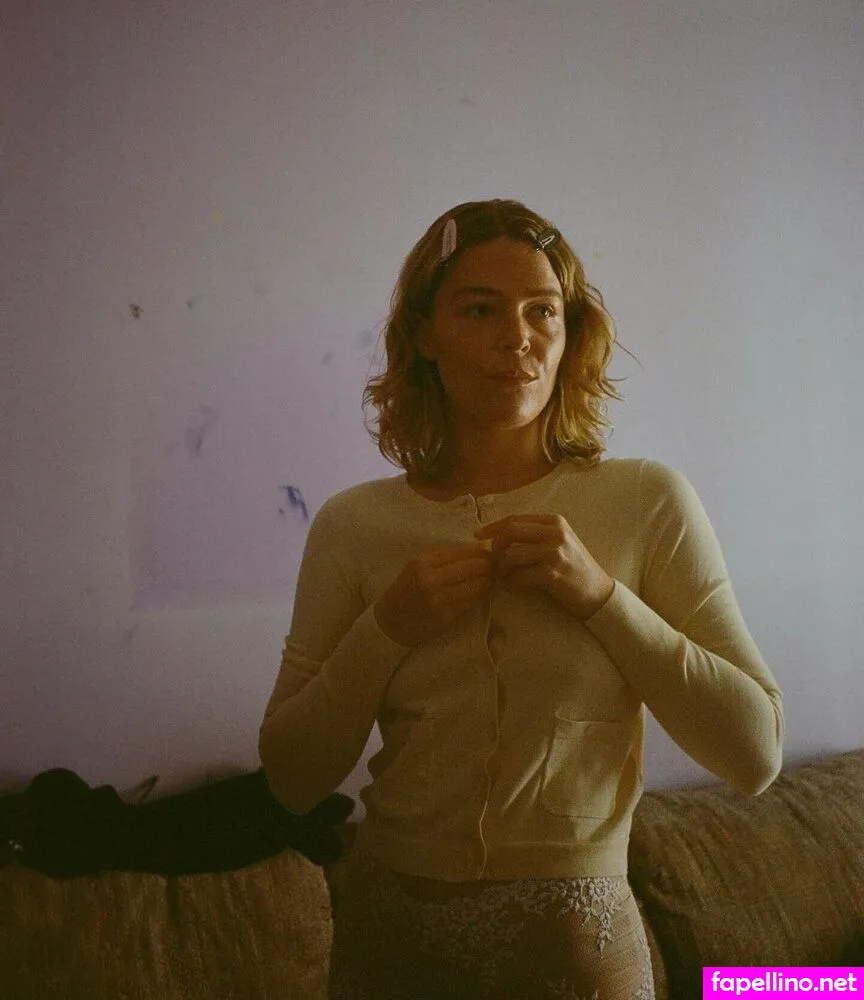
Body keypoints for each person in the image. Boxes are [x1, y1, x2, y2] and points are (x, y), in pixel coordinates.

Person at [258, 199, 785, 1000]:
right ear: (425, 335)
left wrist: (603, 600)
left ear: (570, 333)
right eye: (480, 309)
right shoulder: (352, 525)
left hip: (578, 958)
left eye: (543, 310)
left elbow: (755, 755)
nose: (518, 337)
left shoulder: (647, 502)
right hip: (388, 948)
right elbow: (292, 780)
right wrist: (385, 629)